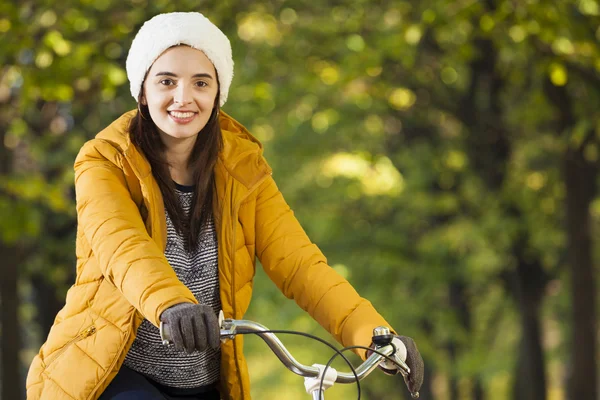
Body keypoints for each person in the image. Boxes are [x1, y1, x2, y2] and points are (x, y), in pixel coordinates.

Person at [25, 11, 424, 400]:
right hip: (113, 372)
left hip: (204, 382)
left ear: (218, 93)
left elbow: (300, 264)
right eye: (167, 81)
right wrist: (173, 304)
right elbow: (123, 246)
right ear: (143, 91)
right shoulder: (104, 160)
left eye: (201, 82)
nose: (184, 97)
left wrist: (372, 334)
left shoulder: (242, 169)